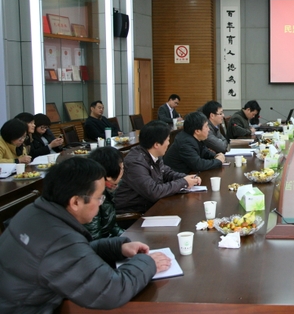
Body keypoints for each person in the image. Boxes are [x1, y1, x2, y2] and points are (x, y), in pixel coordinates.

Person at [0, 157, 171, 312]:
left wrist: (118, 247)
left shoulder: (34, 212)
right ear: (75, 202)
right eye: (99, 198)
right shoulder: (59, 239)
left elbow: (71, 256)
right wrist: (148, 263)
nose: (100, 204)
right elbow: (111, 291)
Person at [114, 120, 199, 214]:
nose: (168, 143)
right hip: (134, 212)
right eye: (167, 140)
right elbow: (153, 192)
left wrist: (186, 177)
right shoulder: (135, 163)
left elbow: (166, 173)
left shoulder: (154, 154)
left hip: (150, 205)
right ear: (156, 145)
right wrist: (183, 182)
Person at [85, 147, 125, 239]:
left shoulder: (110, 188)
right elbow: (94, 239)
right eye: (122, 169)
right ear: (109, 176)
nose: (123, 172)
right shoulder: (92, 197)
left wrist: (128, 237)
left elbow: (112, 226)